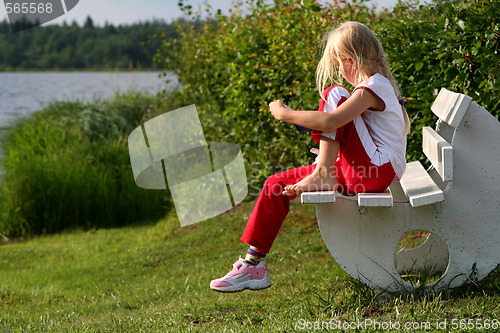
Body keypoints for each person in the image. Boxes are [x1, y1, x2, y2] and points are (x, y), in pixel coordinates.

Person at [210, 21, 410, 293]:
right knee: (275, 184)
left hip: (375, 170)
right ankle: (252, 264)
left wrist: (285, 114)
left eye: (339, 63)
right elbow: (344, 130)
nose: (339, 70)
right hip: (365, 169)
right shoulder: (370, 88)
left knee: (334, 94)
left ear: (350, 60)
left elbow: (330, 120)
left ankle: (323, 173)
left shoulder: (374, 87)